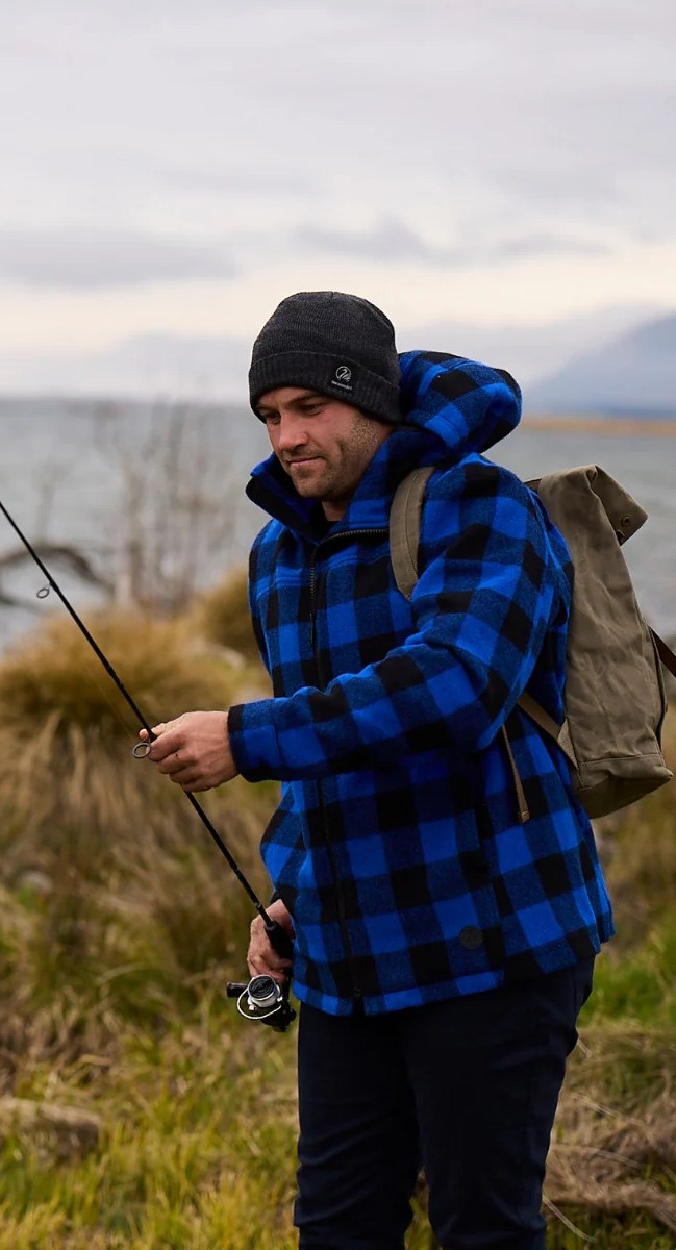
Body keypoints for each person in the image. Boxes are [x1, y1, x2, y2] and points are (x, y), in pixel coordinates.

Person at [142, 291, 614, 1250]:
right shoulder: (279, 552)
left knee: (482, 1228)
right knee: (339, 1226)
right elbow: (332, 757)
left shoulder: (484, 507)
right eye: (270, 414)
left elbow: (455, 690)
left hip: (496, 940)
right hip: (353, 957)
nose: (288, 436)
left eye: (311, 406)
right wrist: (293, 896)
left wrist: (244, 737)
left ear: (373, 402)